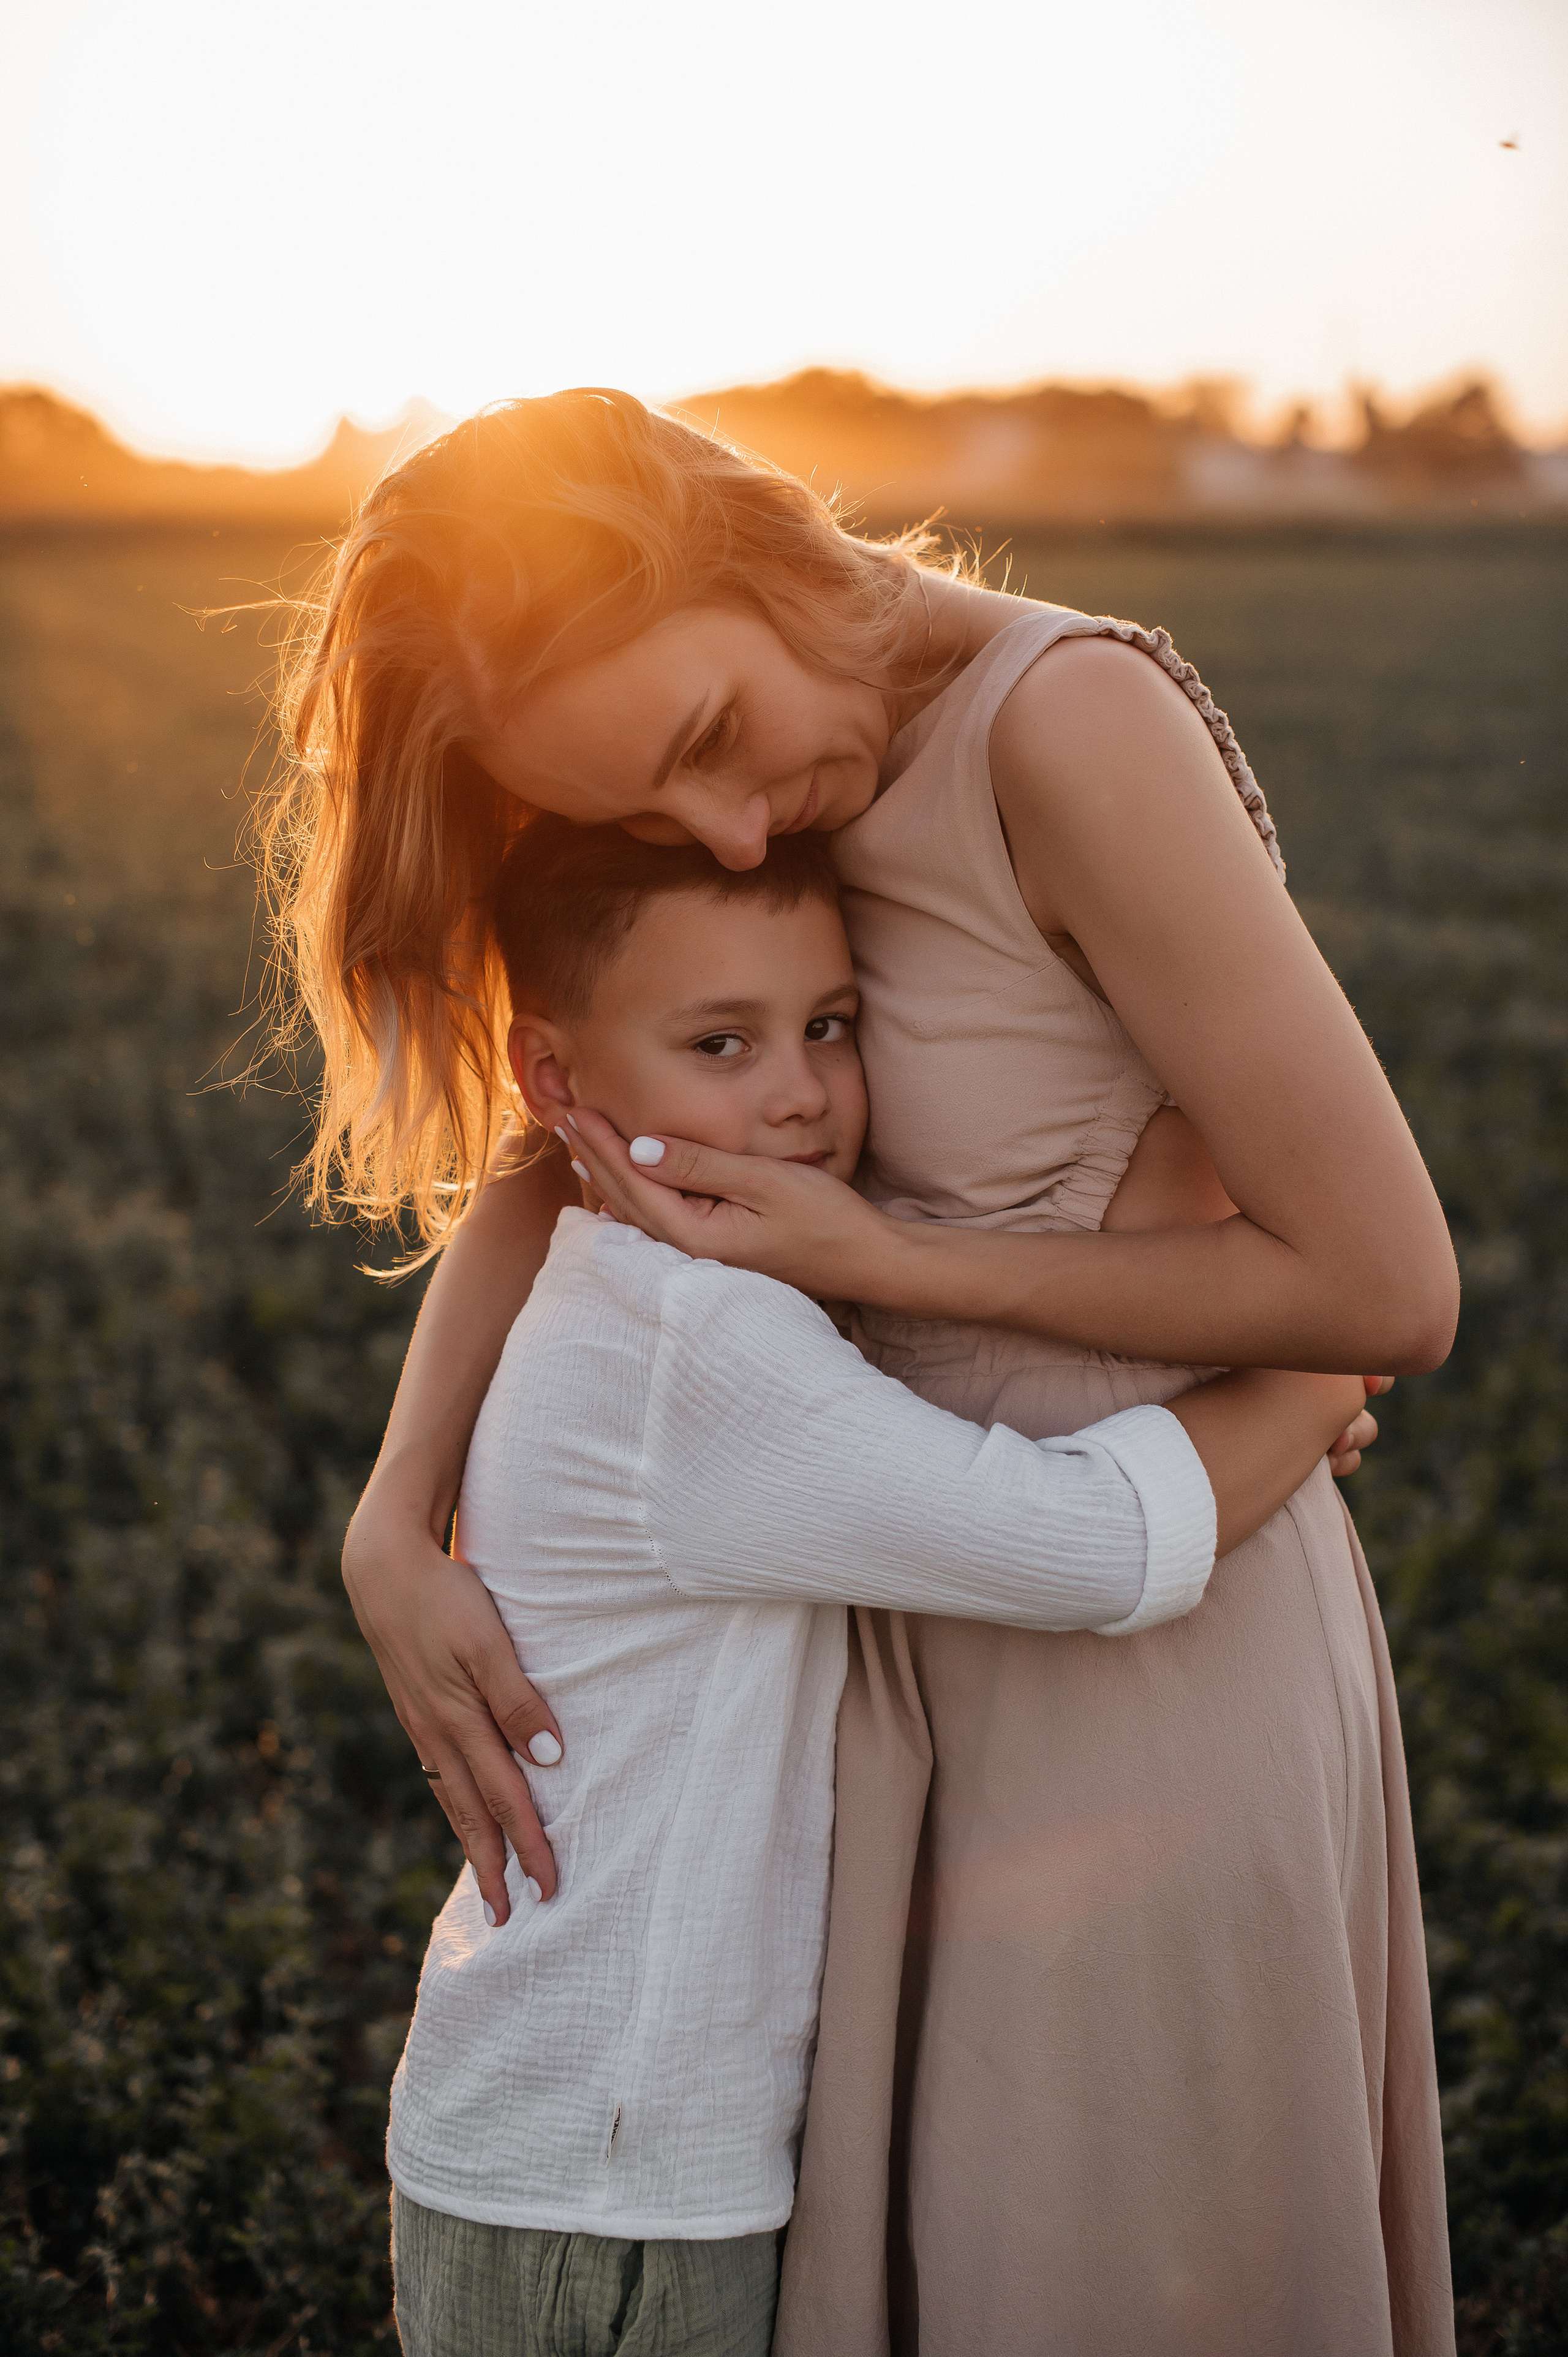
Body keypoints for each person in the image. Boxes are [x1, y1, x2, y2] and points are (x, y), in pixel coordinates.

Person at [267, 389, 1460, 2354]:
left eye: (714, 745)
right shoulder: (659, 747)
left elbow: (1386, 1286)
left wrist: (888, 1257)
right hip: (867, 1673)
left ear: (745, 543)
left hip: (1136, 1658)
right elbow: (563, 1149)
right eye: (666, 813)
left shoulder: (1062, 727)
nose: (738, 829)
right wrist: (397, 1512)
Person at [388, 814, 1378, 2357]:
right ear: (555, 1081)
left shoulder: (637, 1290)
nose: (798, 1091)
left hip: (580, 2149)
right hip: (611, 2195)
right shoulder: (699, 1351)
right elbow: (1089, 1545)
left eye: (828, 1027)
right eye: (722, 1041)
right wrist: (1314, 1367)